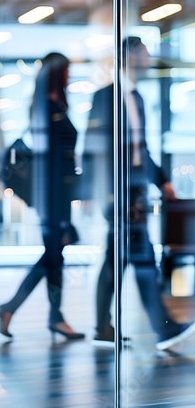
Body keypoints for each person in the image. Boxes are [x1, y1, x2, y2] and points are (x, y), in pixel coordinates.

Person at [82, 36, 195, 350]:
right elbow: (92, 147)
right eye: (144, 55)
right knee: (142, 256)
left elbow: (140, 150)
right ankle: (162, 328)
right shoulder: (106, 97)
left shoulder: (137, 99)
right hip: (116, 193)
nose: (148, 61)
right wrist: (97, 193)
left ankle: (104, 327)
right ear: (129, 57)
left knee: (115, 260)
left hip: (136, 190)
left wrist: (162, 181)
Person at [0, 52, 84, 340]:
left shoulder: (51, 104)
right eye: (67, 70)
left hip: (59, 195)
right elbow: (52, 160)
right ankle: (20, 308)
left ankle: (36, 313)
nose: (70, 76)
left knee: (54, 258)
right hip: (53, 197)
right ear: (57, 73)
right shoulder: (45, 107)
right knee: (54, 256)